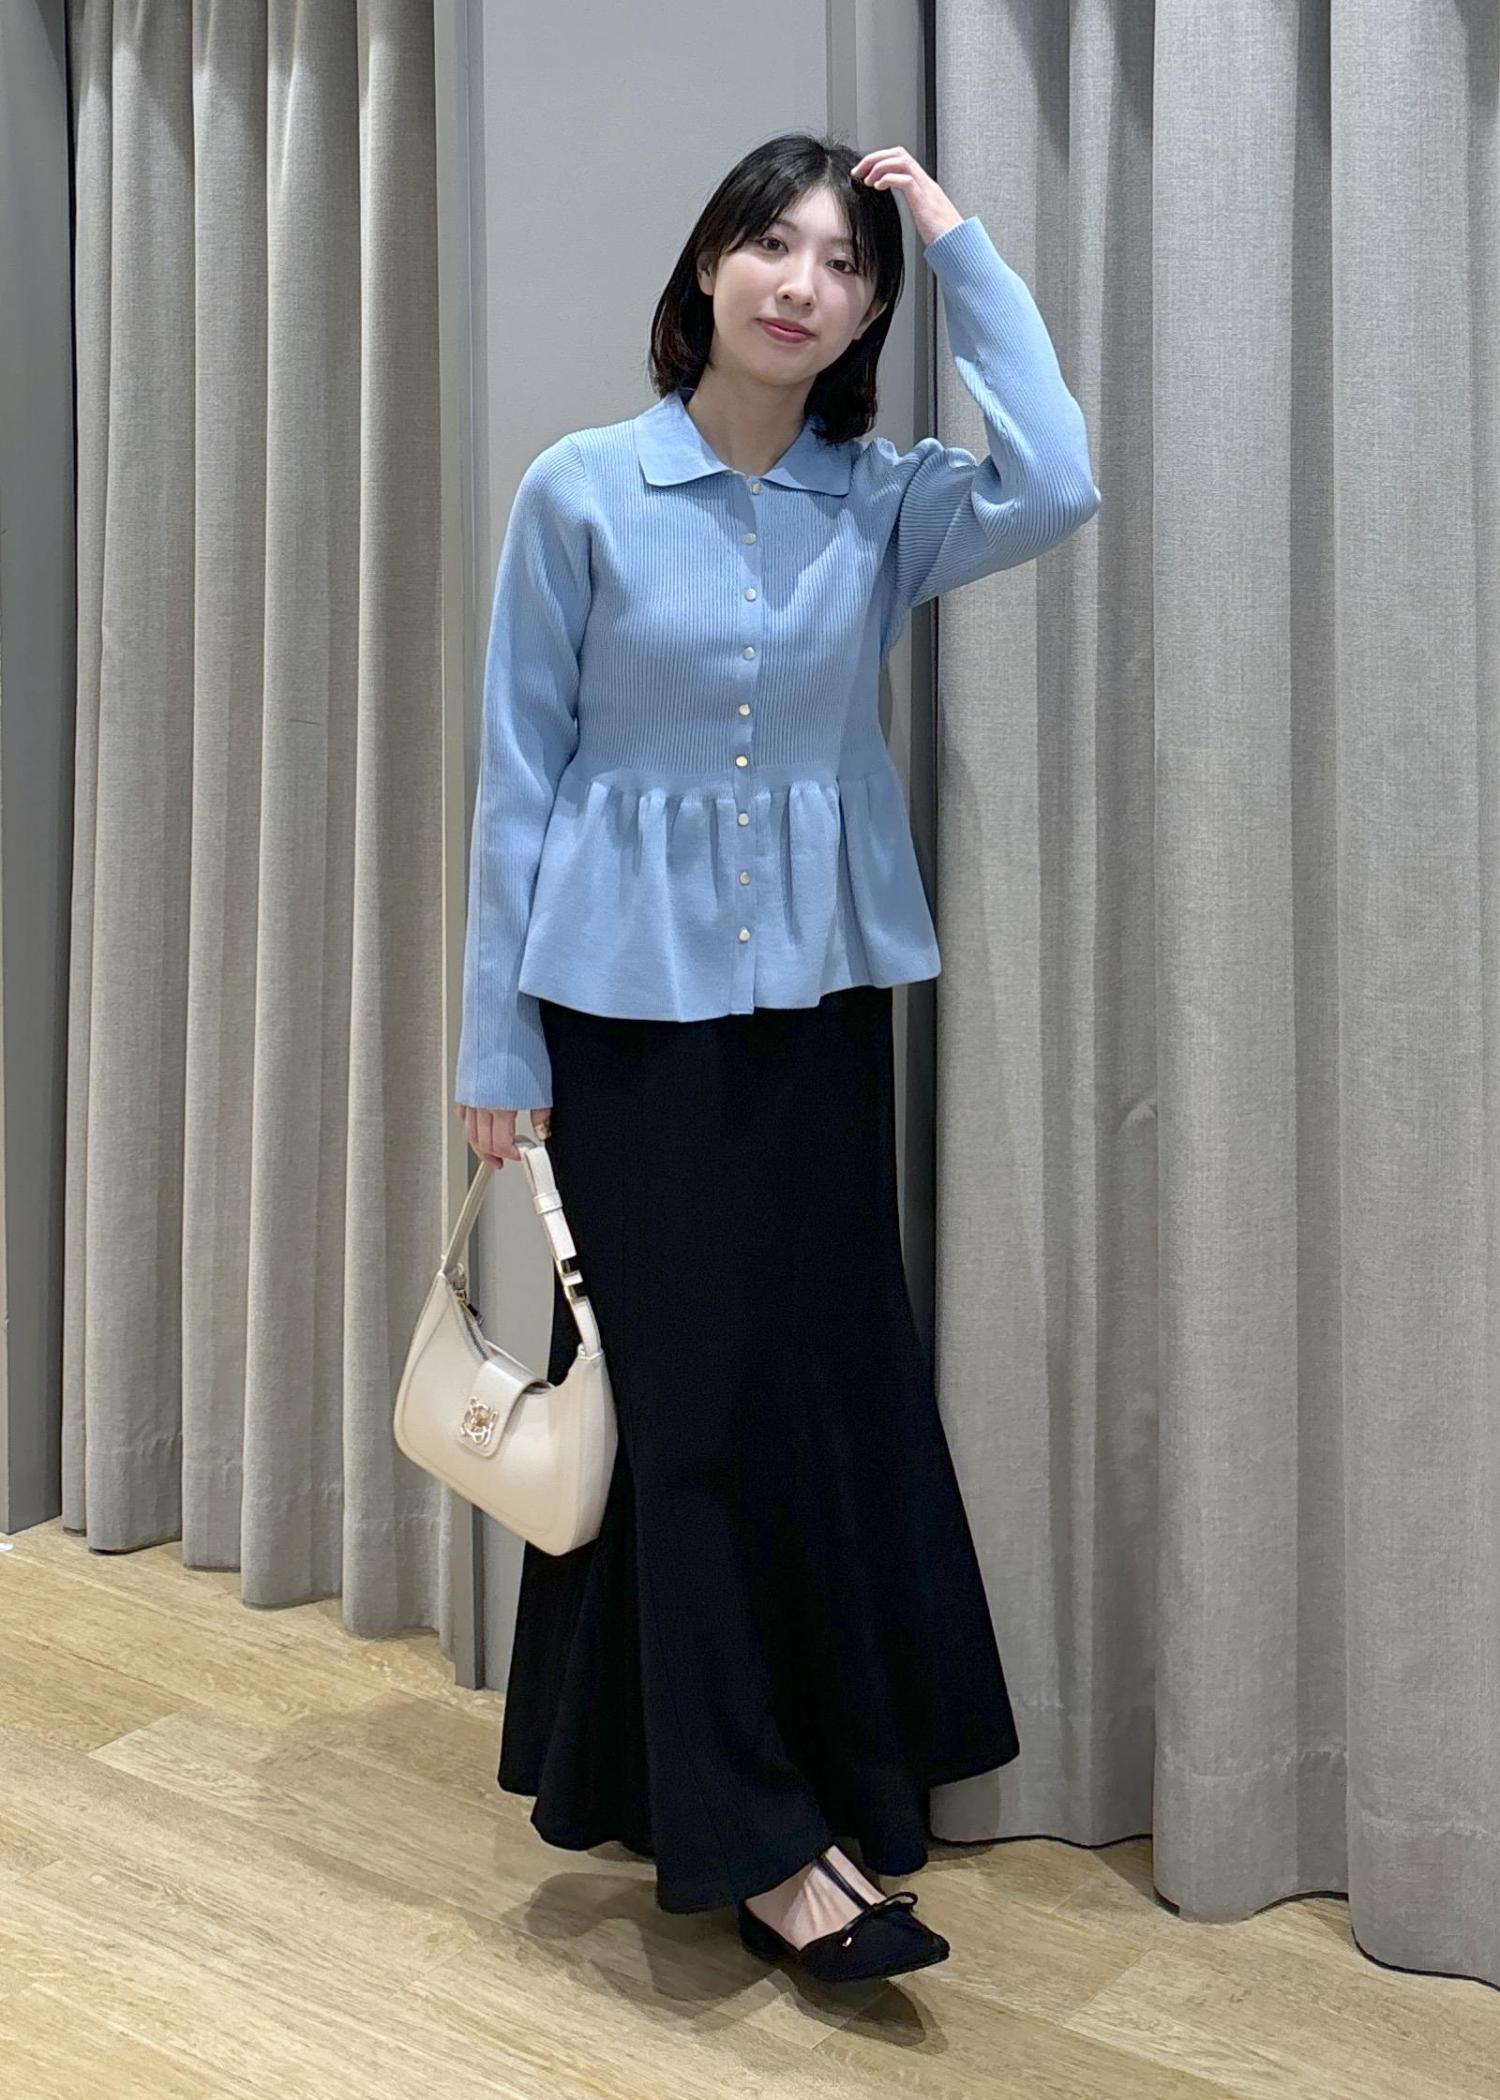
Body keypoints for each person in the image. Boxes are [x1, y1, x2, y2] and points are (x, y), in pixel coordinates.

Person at [453, 131, 1100, 1986]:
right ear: (710, 265)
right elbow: (519, 774)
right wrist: (496, 1039)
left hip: (815, 1012)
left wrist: (956, 243)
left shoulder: (880, 503)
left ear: (871, 311)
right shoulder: (582, 489)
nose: (803, 283)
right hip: (619, 1024)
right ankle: (757, 1843)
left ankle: (806, 1780)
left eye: (843, 262)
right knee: (687, 1410)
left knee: (817, 1396)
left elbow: (1060, 476)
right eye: (773, 244)